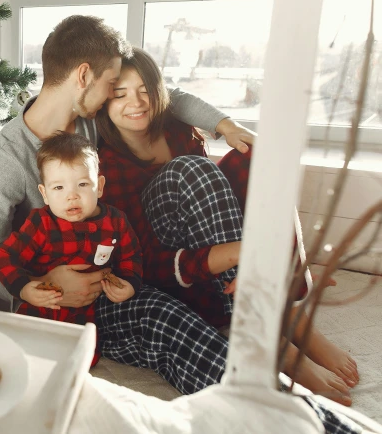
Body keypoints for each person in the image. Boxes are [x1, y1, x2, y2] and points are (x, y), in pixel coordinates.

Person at [0, 15, 361, 434]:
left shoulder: (92, 118)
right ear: (84, 77)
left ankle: (271, 331)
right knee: (176, 327)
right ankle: (284, 411)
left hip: (125, 268)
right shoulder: (7, 157)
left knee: (194, 173)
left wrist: (224, 125)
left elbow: (170, 94)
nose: (119, 96)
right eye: (111, 84)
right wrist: (39, 283)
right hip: (75, 300)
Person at [95, 46, 359, 406]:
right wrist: (239, 251)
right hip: (171, 268)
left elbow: (214, 210)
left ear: (159, 93)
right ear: (103, 105)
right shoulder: (107, 163)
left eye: (144, 90)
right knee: (190, 170)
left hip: (213, 248)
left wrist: (231, 129)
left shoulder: (175, 129)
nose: (135, 102)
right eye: (120, 94)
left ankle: (286, 307)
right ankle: (261, 327)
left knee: (255, 157)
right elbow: (147, 260)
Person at [0, 132, 141, 329]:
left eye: (82, 184)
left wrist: (130, 283)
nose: (72, 196)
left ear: (99, 187)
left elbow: (131, 257)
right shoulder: (42, 223)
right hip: (48, 308)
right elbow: (6, 256)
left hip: (100, 307)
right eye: (58, 188)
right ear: (44, 194)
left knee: (85, 353)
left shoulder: (116, 221)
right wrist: (23, 288)